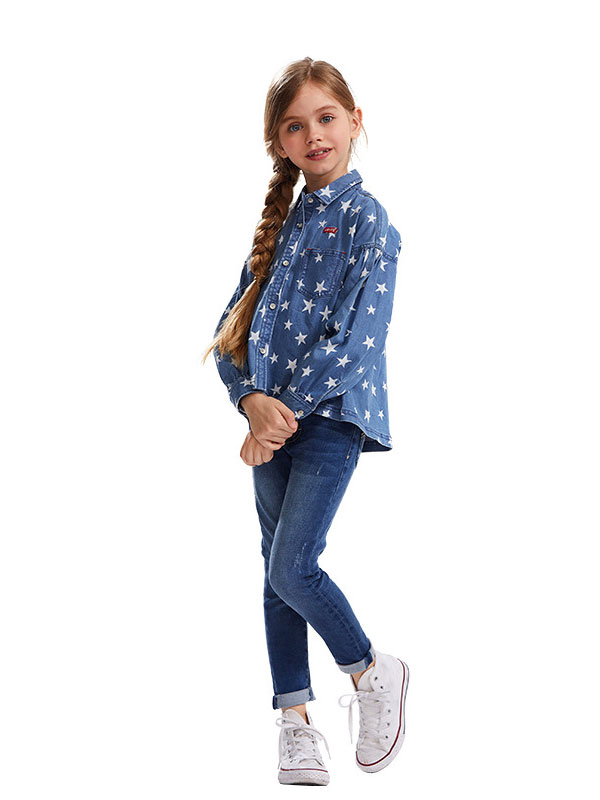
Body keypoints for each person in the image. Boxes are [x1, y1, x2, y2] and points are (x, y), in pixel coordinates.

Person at [202, 57, 409, 786]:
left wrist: (276, 416)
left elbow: (357, 343)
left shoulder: (370, 222)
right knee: (275, 571)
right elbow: (230, 330)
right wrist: (247, 400)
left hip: (328, 421)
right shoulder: (280, 229)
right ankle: (295, 722)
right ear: (279, 143)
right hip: (270, 424)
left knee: (294, 566)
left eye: (326, 117)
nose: (314, 134)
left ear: (355, 122)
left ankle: (371, 670)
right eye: (295, 126)